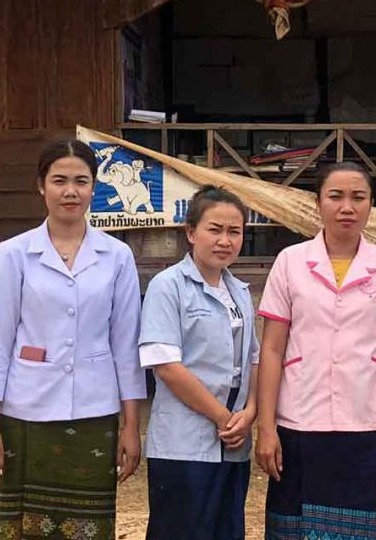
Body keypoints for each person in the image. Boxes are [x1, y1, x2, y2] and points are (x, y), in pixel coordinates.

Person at [0, 139, 147, 540]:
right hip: (24, 414)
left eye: (81, 181)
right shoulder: (14, 254)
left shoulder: (116, 256)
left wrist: (131, 425)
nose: (70, 191)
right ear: (41, 186)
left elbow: (126, 347)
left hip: (93, 415)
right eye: (60, 181)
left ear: (93, 188)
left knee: (89, 526)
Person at [254, 162, 376, 540]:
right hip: (298, 421)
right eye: (336, 196)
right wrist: (266, 426)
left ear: (371, 205)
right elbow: (273, 348)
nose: (347, 206)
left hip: (365, 423)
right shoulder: (290, 262)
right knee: (292, 527)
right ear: (318, 203)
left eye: (358, 197)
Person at [138, 187, 260, 540]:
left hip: (234, 444)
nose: (225, 240)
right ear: (191, 232)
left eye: (234, 232)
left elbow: (254, 359)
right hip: (184, 444)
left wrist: (250, 413)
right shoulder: (168, 286)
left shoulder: (239, 291)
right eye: (214, 229)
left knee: (226, 530)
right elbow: (167, 367)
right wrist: (223, 418)